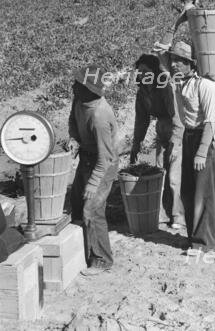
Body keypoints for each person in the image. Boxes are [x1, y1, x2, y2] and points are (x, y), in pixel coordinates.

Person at [168, 41, 215, 254]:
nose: (174, 64)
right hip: (190, 137)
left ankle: (204, 242)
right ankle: (193, 237)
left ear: (191, 64)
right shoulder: (183, 82)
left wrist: (201, 152)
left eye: (180, 61)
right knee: (188, 191)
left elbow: (211, 121)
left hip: (203, 140)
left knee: (203, 193)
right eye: (174, 60)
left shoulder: (206, 85)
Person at [67, 65, 119, 275]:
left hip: (103, 165)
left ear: (89, 89)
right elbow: (73, 119)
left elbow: (105, 158)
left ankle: (102, 259)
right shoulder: (79, 99)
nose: (73, 87)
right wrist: (73, 138)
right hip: (87, 158)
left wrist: (93, 183)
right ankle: (82, 251)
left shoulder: (99, 116)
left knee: (92, 209)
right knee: (77, 204)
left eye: (77, 84)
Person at [130, 53, 185, 229]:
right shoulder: (143, 92)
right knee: (160, 170)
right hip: (161, 127)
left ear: (154, 72)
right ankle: (162, 213)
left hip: (176, 128)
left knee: (175, 175)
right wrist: (136, 144)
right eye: (139, 71)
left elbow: (176, 116)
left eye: (145, 71)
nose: (141, 74)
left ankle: (178, 216)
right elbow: (141, 120)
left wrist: (176, 143)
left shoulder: (165, 87)